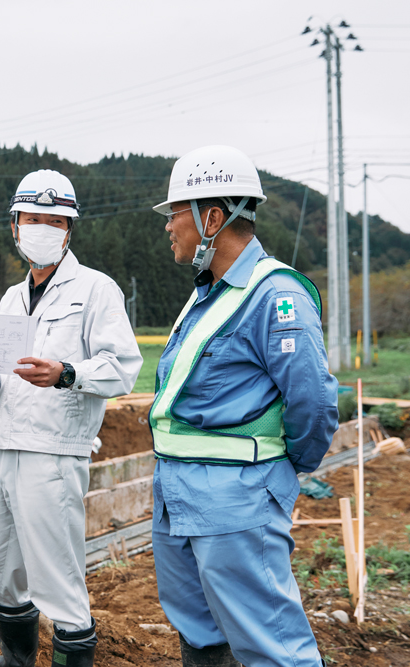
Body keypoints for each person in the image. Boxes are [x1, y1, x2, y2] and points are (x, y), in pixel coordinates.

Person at [150, 145, 338, 667]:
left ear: (212, 218)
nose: (168, 227)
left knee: (273, 648)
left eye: (175, 215)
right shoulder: (207, 292)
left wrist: (276, 473)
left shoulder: (275, 294)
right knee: (201, 636)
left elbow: (314, 403)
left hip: (237, 502)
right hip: (178, 499)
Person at [0, 170, 142, 667]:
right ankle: (15, 661)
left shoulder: (96, 290)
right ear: (15, 226)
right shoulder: (12, 299)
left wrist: (66, 373)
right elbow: (5, 369)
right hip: (7, 446)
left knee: (58, 580)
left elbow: (123, 369)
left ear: (69, 228)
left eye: (54, 220)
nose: (42, 228)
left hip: (55, 454)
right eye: (32, 219)